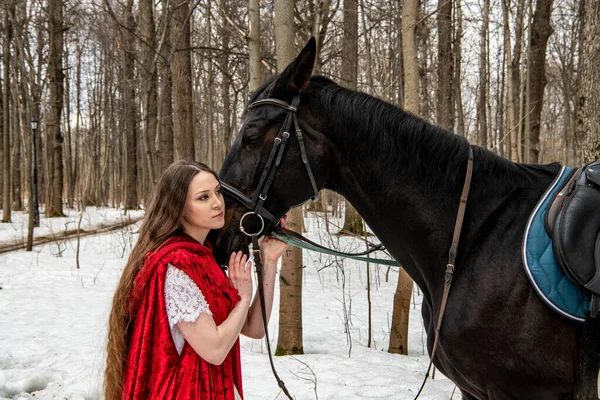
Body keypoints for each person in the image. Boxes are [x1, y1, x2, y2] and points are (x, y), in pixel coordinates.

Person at [104, 160, 287, 400]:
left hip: (215, 388)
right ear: (178, 207)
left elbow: (254, 328)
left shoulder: (205, 258)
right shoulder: (176, 265)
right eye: (203, 197)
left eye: (218, 192)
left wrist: (270, 261)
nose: (217, 203)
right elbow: (215, 349)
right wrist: (242, 299)